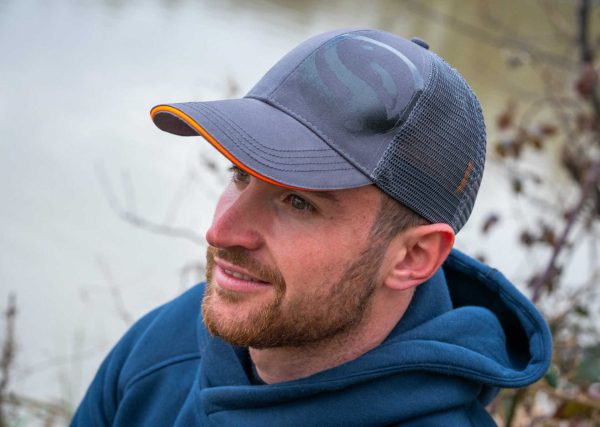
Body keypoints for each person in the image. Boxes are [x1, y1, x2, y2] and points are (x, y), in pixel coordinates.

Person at [72, 28, 552, 426]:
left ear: (412, 257)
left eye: (298, 202)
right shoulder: (165, 345)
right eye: (240, 175)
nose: (221, 233)